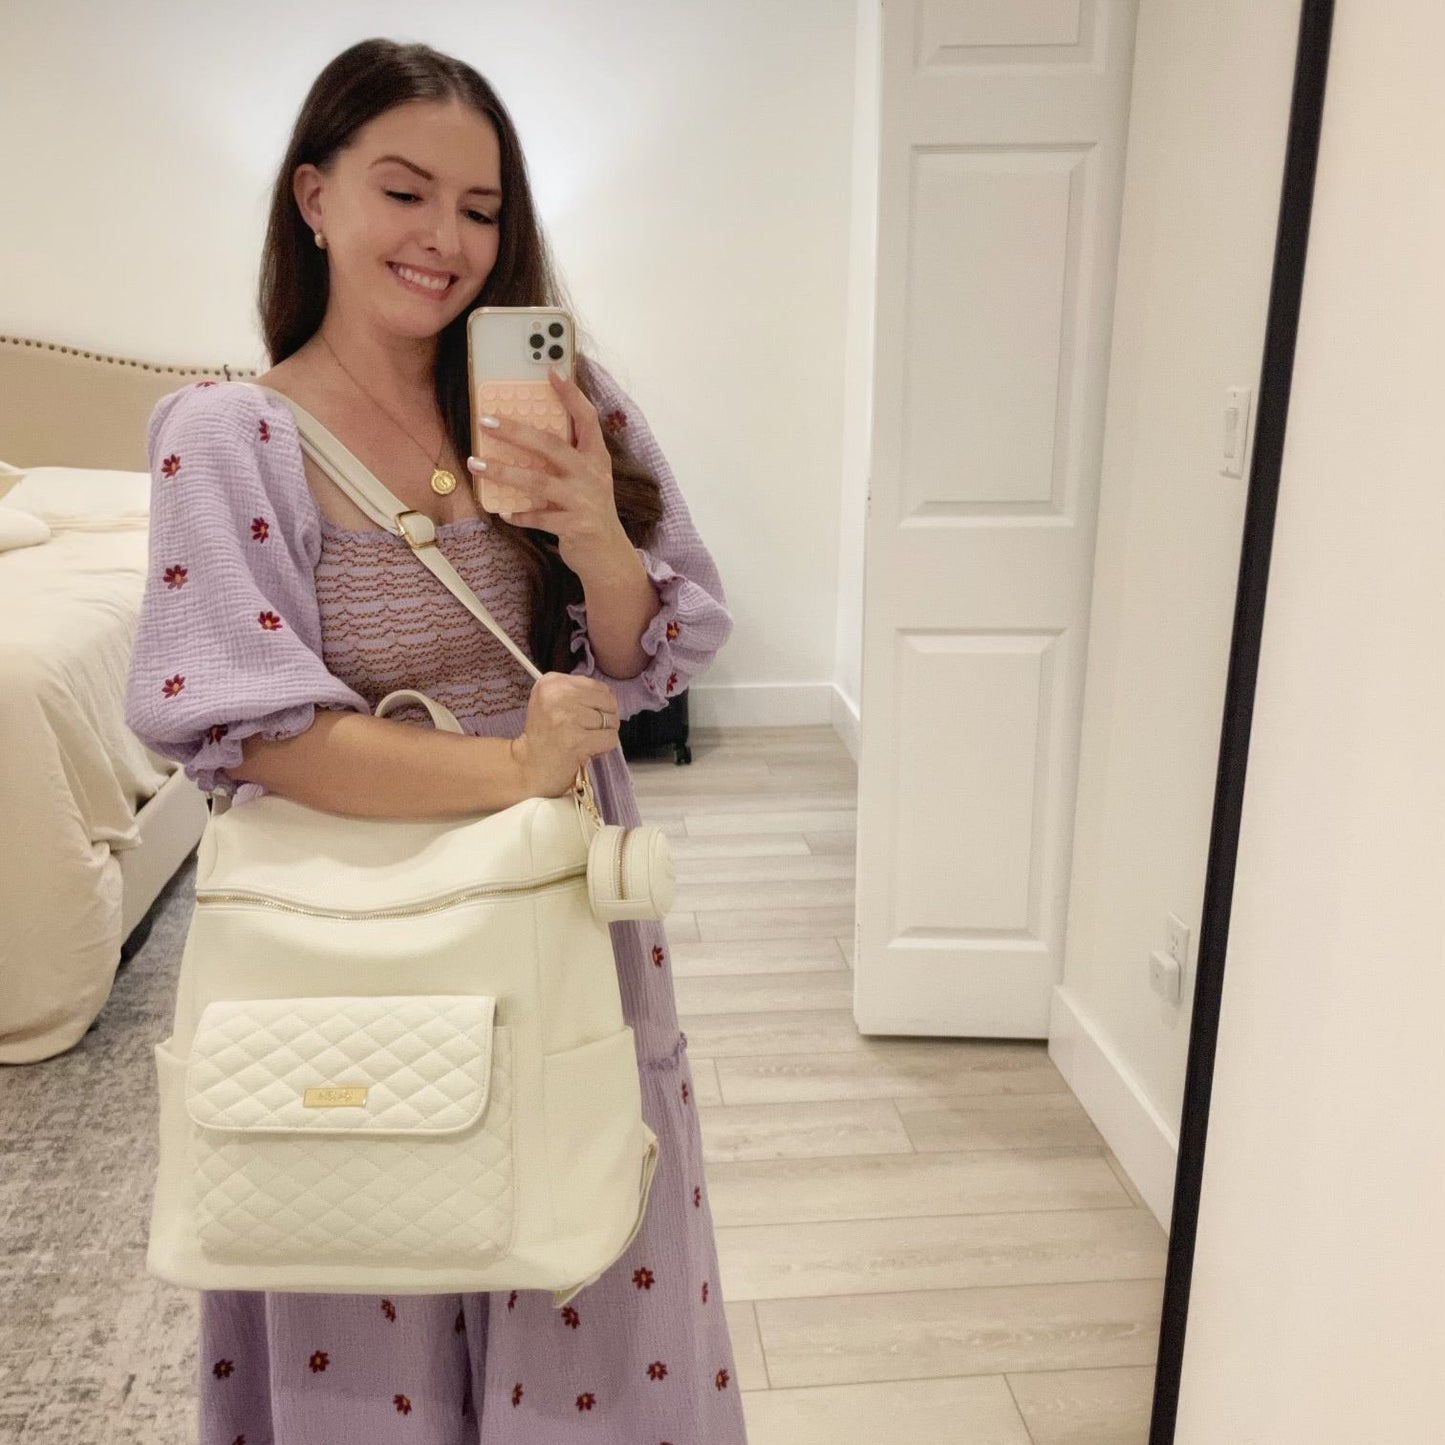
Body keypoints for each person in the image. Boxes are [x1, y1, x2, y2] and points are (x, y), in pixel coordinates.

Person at [124, 36, 747, 1445]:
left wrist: (590, 529)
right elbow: (253, 731)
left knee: (585, 1207)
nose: (448, 239)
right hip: (350, 916)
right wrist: (506, 766)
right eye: (405, 191)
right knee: (371, 1208)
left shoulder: (553, 392)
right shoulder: (228, 432)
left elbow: (654, 649)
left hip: (560, 895)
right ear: (314, 197)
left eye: (481, 208)